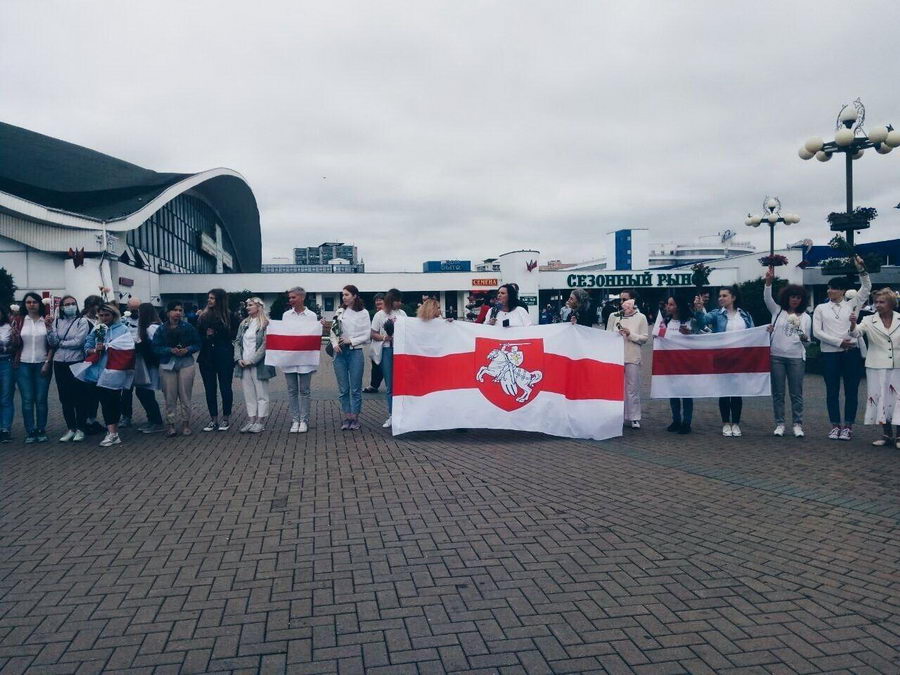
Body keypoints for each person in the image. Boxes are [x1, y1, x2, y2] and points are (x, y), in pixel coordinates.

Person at [812, 257, 871, 441]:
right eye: (829, 287)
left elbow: (867, 287)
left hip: (851, 354)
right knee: (832, 390)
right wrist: (839, 342)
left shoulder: (853, 304)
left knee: (851, 390)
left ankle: (848, 427)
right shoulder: (820, 308)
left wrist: (862, 268)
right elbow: (817, 332)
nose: (830, 290)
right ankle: (835, 425)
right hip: (830, 354)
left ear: (843, 291)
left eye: (835, 288)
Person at [695, 285, 754, 437]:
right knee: (724, 391)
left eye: (724, 295)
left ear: (733, 297)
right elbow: (702, 322)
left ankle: (736, 423)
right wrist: (700, 309)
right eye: (720, 296)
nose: (721, 298)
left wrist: (765, 332)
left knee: (736, 391)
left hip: (740, 358)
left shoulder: (745, 315)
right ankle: (726, 423)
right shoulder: (716, 314)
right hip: (722, 357)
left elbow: (753, 333)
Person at [763, 268, 812, 438]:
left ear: (802, 300)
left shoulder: (806, 317)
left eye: (798, 298)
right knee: (778, 393)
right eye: (792, 297)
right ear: (787, 297)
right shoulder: (777, 311)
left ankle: (797, 424)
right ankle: (780, 424)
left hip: (796, 357)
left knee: (796, 393)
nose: (795, 300)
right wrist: (768, 282)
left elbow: (808, 341)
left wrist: (803, 335)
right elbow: (767, 298)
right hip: (776, 356)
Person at [849, 288, 900, 448]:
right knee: (881, 399)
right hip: (876, 366)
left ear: (891, 303)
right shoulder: (868, 320)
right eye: (876, 302)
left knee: (898, 400)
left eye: (881, 302)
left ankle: (899, 437)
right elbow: (856, 334)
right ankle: (886, 435)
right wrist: (852, 324)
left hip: (898, 365)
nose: (877, 305)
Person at [79, 303, 134, 447]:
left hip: (114, 371)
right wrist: (94, 350)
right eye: (101, 315)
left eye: (107, 315)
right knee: (103, 401)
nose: (104, 318)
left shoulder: (123, 329)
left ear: (114, 315)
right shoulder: (97, 328)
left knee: (112, 401)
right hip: (97, 371)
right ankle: (111, 432)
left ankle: (113, 433)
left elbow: (127, 347)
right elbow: (87, 346)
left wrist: (110, 347)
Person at [152, 301, 202, 437]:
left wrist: (188, 349)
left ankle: (186, 423)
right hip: (167, 364)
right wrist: (169, 350)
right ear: (168, 312)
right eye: (175, 310)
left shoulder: (189, 327)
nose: (178, 313)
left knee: (185, 395)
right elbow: (155, 347)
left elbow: (198, 343)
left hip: (186, 363)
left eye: (180, 310)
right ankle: (171, 424)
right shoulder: (161, 329)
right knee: (169, 396)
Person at [47, 295, 91, 442]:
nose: (70, 306)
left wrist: (61, 343)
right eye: (67, 304)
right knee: (65, 397)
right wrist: (49, 329)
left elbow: (79, 342)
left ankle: (81, 428)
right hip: (59, 362)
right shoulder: (57, 321)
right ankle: (71, 428)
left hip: (76, 361)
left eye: (73, 303)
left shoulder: (82, 321)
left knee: (79, 396)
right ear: (62, 307)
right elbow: (52, 341)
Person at [197, 289, 239, 432]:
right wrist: (206, 335)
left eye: (213, 298)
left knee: (225, 387)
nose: (209, 300)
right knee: (210, 389)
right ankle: (213, 418)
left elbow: (235, 334)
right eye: (209, 298)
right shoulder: (203, 316)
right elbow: (197, 336)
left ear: (219, 300)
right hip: (206, 356)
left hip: (224, 355)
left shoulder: (230, 316)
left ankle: (226, 417)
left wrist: (218, 332)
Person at [654, 294, 697, 434]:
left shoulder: (690, 321)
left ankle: (687, 422)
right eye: (668, 304)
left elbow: (700, 337)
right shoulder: (666, 321)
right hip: (671, 363)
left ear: (679, 306)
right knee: (673, 392)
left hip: (686, 363)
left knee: (686, 393)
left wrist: (690, 333)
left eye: (671, 304)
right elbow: (659, 336)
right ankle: (676, 420)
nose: (668, 307)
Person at [330, 285, 371, 430]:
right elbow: (333, 330)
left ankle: (355, 418)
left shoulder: (363, 313)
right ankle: (347, 417)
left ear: (354, 296)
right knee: (343, 389)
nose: (344, 297)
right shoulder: (340, 311)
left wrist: (351, 341)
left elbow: (367, 334)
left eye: (347, 295)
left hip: (355, 352)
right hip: (340, 353)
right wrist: (334, 344)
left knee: (355, 388)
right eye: (343, 295)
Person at [12, 292, 52, 443]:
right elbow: (14, 343)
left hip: (43, 362)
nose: (31, 305)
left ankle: (41, 429)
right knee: (27, 399)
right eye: (28, 302)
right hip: (23, 363)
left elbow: (52, 344)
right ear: (24, 304)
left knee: (41, 399)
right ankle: (30, 430)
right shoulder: (19, 320)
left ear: (40, 304)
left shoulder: (46, 320)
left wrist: (48, 362)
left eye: (34, 302)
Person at [234, 297, 276, 433]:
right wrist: (238, 358)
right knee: (248, 393)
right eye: (247, 305)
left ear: (258, 307)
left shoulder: (265, 323)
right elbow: (238, 342)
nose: (247, 307)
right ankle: (251, 419)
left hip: (258, 364)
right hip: (243, 363)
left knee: (261, 393)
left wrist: (252, 360)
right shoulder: (243, 323)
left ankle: (260, 421)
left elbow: (265, 344)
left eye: (250, 305)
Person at [607, 298, 649, 429]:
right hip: (616, 356)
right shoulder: (614, 316)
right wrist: (616, 335)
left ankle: (634, 417)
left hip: (632, 356)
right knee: (616, 388)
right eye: (623, 302)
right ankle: (617, 415)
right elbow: (607, 334)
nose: (625, 306)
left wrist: (630, 334)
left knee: (632, 388)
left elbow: (644, 338)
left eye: (628, 302)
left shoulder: (641, 317)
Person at [282, 287, 319, 433]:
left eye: (293, 297)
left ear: (302, 298)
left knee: (304, 390)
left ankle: (304, 420)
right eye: (289, 298)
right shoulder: (286, 315)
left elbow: (312, 337)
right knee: (292, 390)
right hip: (290, 358)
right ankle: (295, 419)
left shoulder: (311, 315)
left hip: (305, 358)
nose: (290, 300)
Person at [371, 288, 407, 429]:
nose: (400, 303)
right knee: (390, 384)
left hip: (400, 350)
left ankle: (402, 413)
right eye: (397, 300)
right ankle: (392, 414)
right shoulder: (380, 315)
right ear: (391, 301)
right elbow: (373, 333)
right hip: (387, 349)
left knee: (401, 383)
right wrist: (386, 337)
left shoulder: (402, 313)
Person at [134, 303, 164, 434]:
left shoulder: (151, 328)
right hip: (150, 364)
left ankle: (156, 421)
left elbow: (155, 346)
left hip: (151, 365)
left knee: (144, 392)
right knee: (144, 392)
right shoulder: (153, 326)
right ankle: (152, 419)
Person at [81, 294, 105, 435]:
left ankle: (92, 419)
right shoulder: (84, 321)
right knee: (88, 393)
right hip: (86, 359)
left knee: (95, 393)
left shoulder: (98, 320)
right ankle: (87, 420)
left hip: (97, 361)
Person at [117, 296, 141, 428]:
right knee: (126, 390)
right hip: (126, 358)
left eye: (137, 309)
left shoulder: (145, 320)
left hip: (141, 358)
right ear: (127, 308)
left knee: (144, 390)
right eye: (132, 309)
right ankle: (126, 416)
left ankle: (153, 417)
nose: (135, 312)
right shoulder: (122, 321)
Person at [0, 306, 21, 443]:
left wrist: (14, 337)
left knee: (6, 397)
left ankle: (5, 428)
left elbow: (16, 345)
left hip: (6, 363)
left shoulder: (9, 327)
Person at [363, 293, 385, 393]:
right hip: (377, 345)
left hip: (387, 345)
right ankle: (374, 385)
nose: (378, 302)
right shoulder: (376, 314)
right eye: (376, 300)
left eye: (380, 300)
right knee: (376, 365)